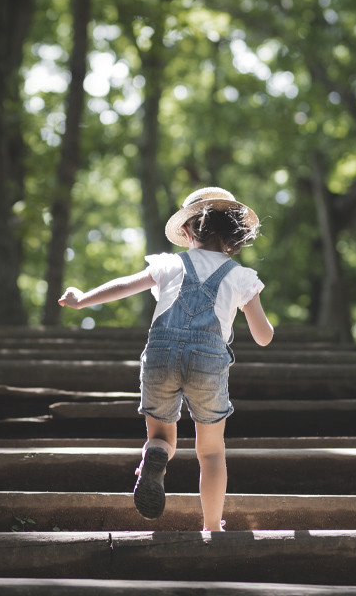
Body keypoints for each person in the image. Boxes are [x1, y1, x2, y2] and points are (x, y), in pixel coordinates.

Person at [59, 187, 273, 531]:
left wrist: (82, 300)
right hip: (208, 362)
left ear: (187, 233)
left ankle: (156, 454)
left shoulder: (170, 263)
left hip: (160, 354)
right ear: (234, 238)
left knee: (161, 435)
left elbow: (124, 285)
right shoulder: (241, 277)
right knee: (211, 452)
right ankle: (212, 526)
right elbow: (263, 337)